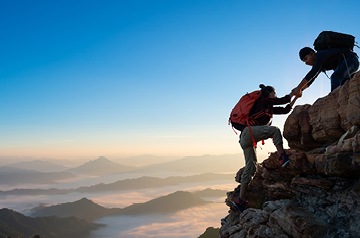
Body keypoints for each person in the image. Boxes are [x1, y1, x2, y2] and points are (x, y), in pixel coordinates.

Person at [230, 84, 293, 213]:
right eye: (274, 93)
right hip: (249, 133)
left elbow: (284, 109)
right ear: (270, 94)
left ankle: (240, 201)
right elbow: (282, 100)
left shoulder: (267, 107)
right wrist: (293, 93)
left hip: (245, 138)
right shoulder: (264, 100)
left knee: (251, 167)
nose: (275, 96)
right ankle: (283, 157)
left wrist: (292, 102)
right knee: (275, 131)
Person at [293, 46, 359, 96]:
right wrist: (300, 89)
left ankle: (334, 101)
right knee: (343, 82)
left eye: (305, 59)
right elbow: (311, 80)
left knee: (335, 77)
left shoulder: (320, 55)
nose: (306, 63)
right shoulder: (320, 64)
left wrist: (298, 88)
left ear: (312, 53)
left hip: (351, 60)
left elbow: (312, 73)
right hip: (350, 63)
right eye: (304, 61)